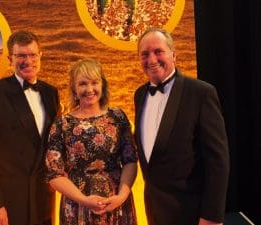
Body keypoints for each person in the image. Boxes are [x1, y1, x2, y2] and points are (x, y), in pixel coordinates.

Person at [134, 28, 230, 225]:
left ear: (174, 54)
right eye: (145, 54)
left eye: (158, 51)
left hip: (192, 213)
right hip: (154, 210)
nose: (151, 60)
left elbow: (218, 161)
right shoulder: (140, 94)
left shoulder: (201, 93)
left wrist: (212, 217)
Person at [0, 30, 60, 225]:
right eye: (20, 55)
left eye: (32, 55)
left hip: (43, 197)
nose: (27, 61)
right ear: (9, 58)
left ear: (40, 56)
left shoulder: (50, 92)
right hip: (9, 201)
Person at [45, 58, 138, 225]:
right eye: (82, 84)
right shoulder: (62, 124)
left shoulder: (117, 117)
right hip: (77, 207)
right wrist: (83, 200)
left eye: (94, 82)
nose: (89, 89)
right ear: (74, 88)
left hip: (116, 203)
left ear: (102, 85)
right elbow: (54, 174)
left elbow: (130, 160)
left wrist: (122, 196)